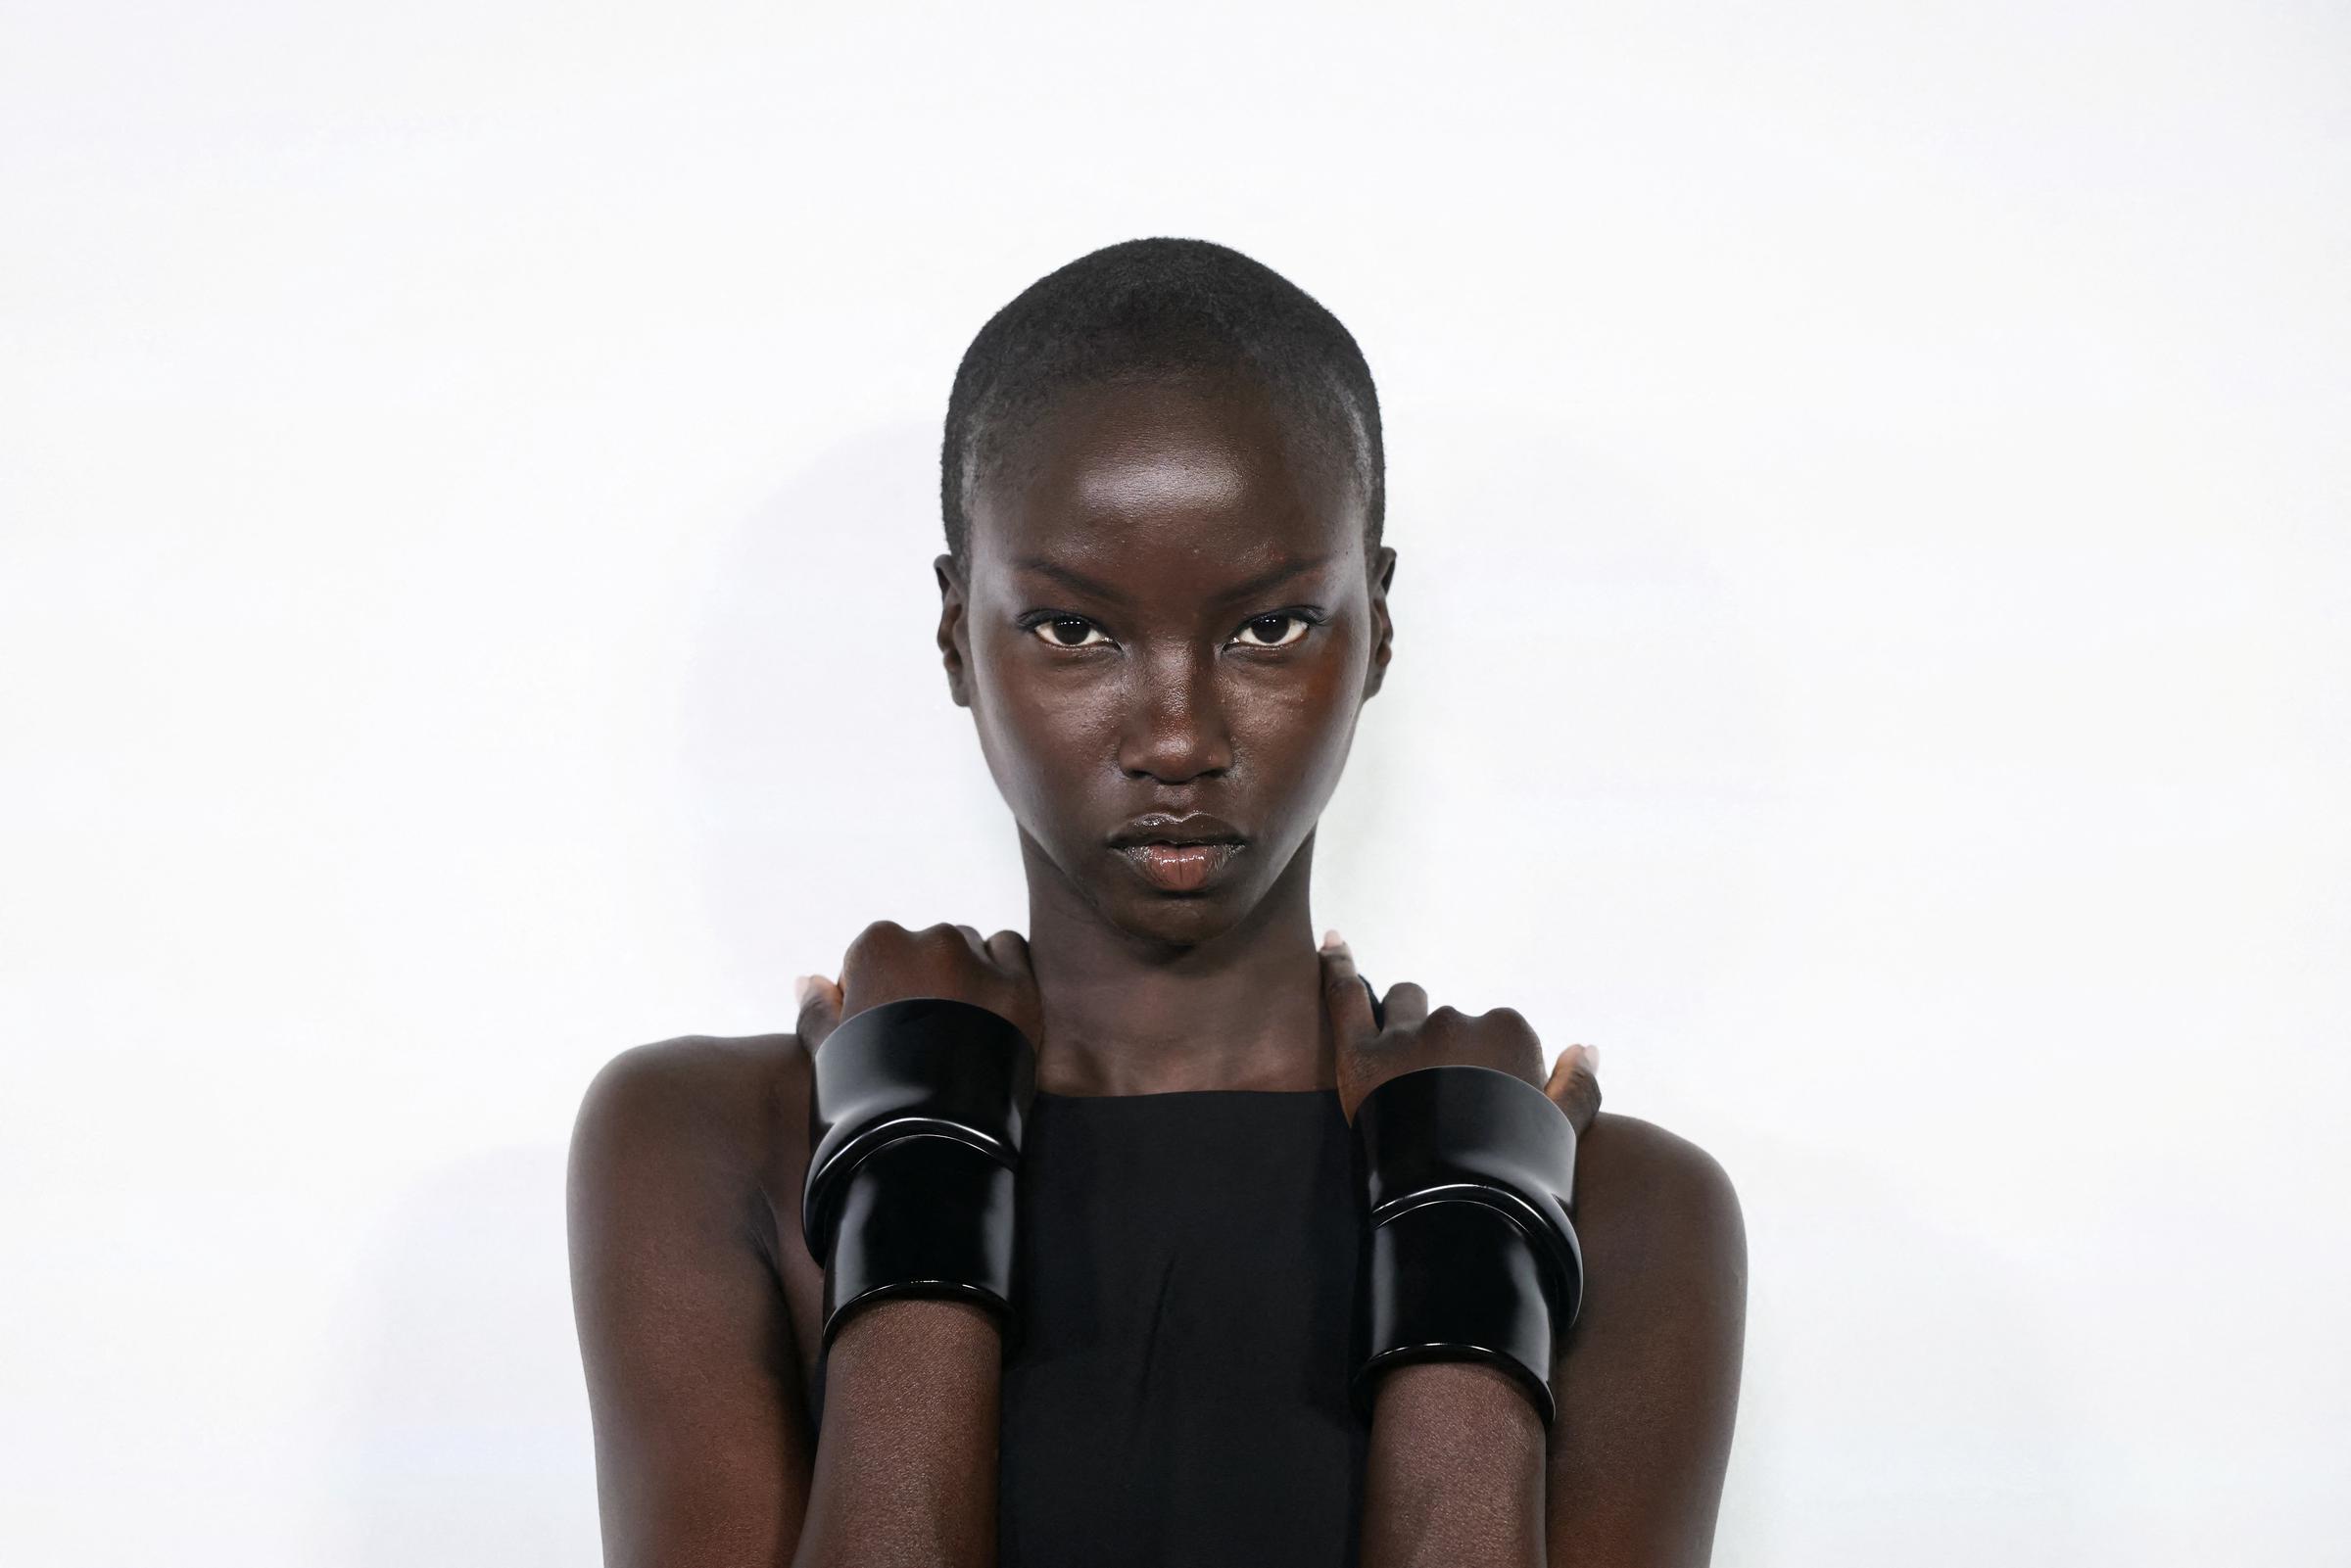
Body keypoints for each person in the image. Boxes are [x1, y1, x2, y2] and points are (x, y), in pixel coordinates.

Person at [566, 237, 1748, 1567]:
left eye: (1270, 627)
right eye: (1075, 631)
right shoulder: (719, 1147)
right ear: (958, 632)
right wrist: (919, 1153)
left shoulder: (1624, 1209)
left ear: (1381, 628)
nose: (1178, 736)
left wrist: (1467, 1235)